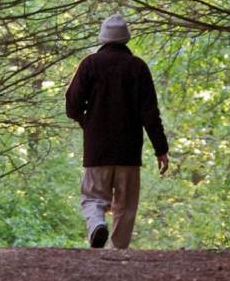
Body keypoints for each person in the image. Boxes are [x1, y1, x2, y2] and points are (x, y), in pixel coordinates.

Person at [65, 14, 170, 249]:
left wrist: (86, 121)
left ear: (103, 37)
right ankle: (118, 251)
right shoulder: (138, 68)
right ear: (126, 39)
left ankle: (96, 227)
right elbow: (150, 113)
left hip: (96, 149)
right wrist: (161, 149)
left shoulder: (89, 64)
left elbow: (72, 103)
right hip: (129, 151)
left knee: (93, 197)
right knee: (126, 206)